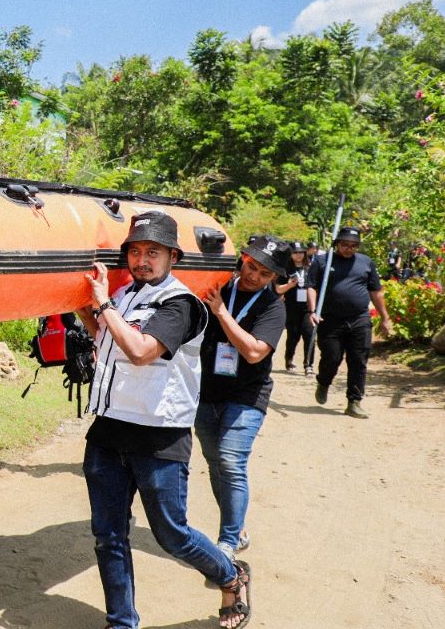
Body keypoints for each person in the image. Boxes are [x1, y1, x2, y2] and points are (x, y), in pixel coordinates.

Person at [77, 211, 252, 629]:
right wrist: (86, 309)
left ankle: (230, 575)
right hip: (108, 429)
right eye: (135, 252)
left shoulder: (182, 304)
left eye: (152, 252)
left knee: (171, 534)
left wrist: (101, 303)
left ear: (172, 255)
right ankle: (122, 622)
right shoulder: (124, 298)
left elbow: (139, 351)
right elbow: (108, 340)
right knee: (108, 535)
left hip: (159, 437)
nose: (142, 260)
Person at [195, 237, 289, 565]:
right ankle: (238, 528)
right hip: (206, 392)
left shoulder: (273, 307)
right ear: (244, 258)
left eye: (264, 274)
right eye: (252, 266)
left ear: (274, 279)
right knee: (215, 462)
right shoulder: (218, 285)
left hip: (248, 395)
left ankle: (228, 542)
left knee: (231, 461)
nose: (254, 276)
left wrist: (221, 313)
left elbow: (253, 352)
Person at [306, 226, 393, 419]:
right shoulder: (322, 261)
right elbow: (311, 286)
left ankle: (354, 402)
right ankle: (324, 382)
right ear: (337, 243)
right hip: (330, 320)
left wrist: (385, 318)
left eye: (354, 246)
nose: (349, 249)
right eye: (345, 244)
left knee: (358, 361)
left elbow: (375, 292)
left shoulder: (366, 262)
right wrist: (313, 311)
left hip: (359, 319)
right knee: (332, 358)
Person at [274, 241, 313, 374]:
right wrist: (290, 285)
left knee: (309, 334)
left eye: (301, 252)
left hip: (308, 307)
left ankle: (309, 364)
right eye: (295, 252)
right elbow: (278, 289)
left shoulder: (311, 267)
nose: (298, 255)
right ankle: (289, 359)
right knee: (293, 335)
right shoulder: (285, 269)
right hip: (291, 306)